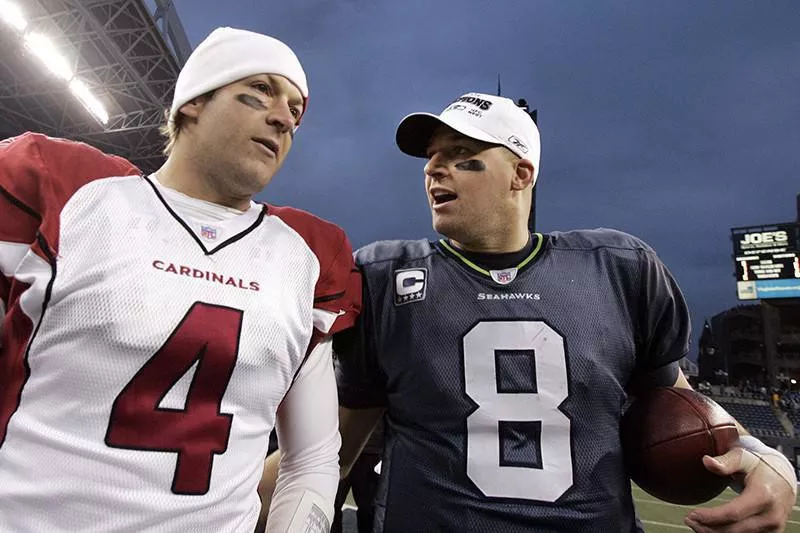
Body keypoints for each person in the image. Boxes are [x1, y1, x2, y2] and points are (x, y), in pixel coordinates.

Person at [260, 92, 797, 532]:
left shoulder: (620, 268)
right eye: (431, 157)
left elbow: (678, 406)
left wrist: (762, 459)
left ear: (520, 174)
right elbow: (329, 450)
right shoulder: (383, 276)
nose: (433, 169)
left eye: (461, 154)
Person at [0, 27, 360, 532]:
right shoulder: (74, 195)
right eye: (258, 92)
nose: (283, 117)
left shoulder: (308, 257)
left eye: (295, 111)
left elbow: (313, 459)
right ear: (192, 103)